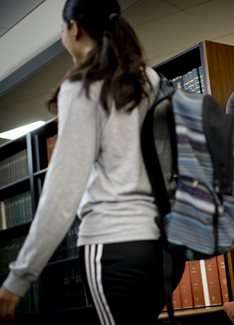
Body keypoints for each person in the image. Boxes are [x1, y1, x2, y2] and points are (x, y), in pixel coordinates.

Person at [0, 1, 183, 324]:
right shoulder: (152, 81)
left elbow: (62, 190)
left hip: (113, 246)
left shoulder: (83, 85)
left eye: (61, 27)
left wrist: (19, 278)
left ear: (74, 28)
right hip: (165, 250)